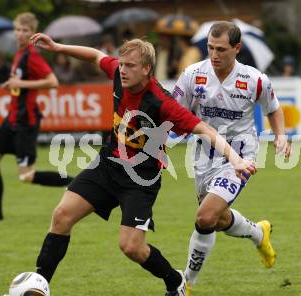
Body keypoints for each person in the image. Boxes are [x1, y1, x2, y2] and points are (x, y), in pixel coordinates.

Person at [29, 31, 256, 296]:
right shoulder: (118, 73)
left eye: (130, 66)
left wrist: (236, 159)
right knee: (61, 216)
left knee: (131, 247)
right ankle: (39, 286)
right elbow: (95, 56)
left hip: (140, 179)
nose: (122, 70)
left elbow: (204, 129)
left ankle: (175, 281)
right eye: (122, 64)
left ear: (147, 69)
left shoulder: (162, 103)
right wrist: (57, 46)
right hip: (107, 164)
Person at [173, 21, 291, 294]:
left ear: (237, 48)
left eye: (221, 49)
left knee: (204, 217)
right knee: (217, 218)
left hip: (239, 158)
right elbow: (174, 112)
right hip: (204, 157)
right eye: (210, 48)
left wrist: (281, 136)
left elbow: (273, 109)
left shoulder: (254, 79)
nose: (214, 55)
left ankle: (187, 283)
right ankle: (258, 233)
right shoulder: (193, 75)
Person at [0, 13, 73, 221]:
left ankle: (76, 182)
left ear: (32, 34)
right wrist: (12, 84)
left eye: (25, 31)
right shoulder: (19, 54)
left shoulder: (32, 55)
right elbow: (20, 82)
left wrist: (21, 84)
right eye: (18, 29)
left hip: (24, 122)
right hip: (11, 118)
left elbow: (53, 82)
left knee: (26, 176)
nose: (20, 34)